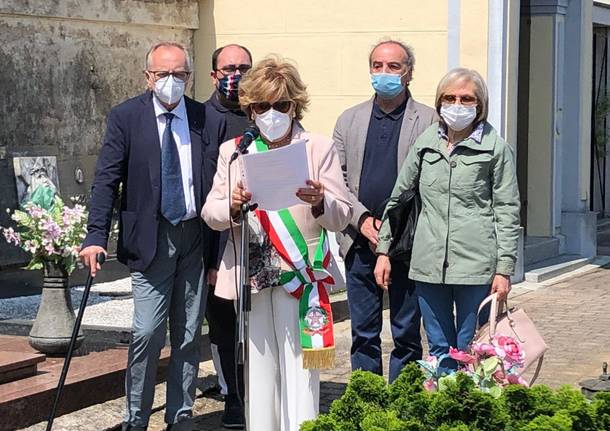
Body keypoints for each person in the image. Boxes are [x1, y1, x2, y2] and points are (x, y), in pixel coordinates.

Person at [202, 55, 352, 431]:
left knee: (301, 369)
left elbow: (342, 213)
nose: (272, 113)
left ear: (295, 105)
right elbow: (211, 212)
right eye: (262, 106)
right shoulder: (233, 151)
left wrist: (320, 200)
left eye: (281, 105)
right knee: (259, 369)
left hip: (300, 274)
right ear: (250, 110)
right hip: (252, 275)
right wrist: (232, 206)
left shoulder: (317, 147)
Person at [80, 41, 218, 431]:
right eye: (163, 74)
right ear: (148, 77)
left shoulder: (203, 118)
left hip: (195, 235)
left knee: (189, 332)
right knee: (146, 332)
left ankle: (180, 413)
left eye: (179, 74)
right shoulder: (126, 117)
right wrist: (95, 236)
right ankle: (136, 418)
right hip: (150, 238)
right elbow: (106, 180)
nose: (171, 81)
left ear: (189, 78)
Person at [374, 67, 521, 371]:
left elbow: (506, 209)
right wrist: (383, 250)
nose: (457, 105)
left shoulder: (495, 148)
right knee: (440, 348)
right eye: (450, 98)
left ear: (479, 105)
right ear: (440, 102)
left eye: (466, 99)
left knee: (473, 349)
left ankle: (473, 413)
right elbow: (399, 198)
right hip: (428, 265)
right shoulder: (426, 143)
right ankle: (443, 410)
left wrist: (504, 269)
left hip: (476, 267)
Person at [333, 40, 437, 382]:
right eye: (377, 65)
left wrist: (391, 234)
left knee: (406, 333)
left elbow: (427, 184)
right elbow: (338, 180)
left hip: (408, 243)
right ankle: (369, 396)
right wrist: (362, 220)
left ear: (408, 73)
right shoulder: (349, 120)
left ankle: (403, 398)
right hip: (360, 241)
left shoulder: (429, 121)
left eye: (393, 67)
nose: (384, 73)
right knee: (363, 332)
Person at [203, 43, 252, 429]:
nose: (236, 74)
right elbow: (210, 193)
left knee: (252, 327)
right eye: (229, 68)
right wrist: (212, 260)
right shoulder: (200, 118)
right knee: (223, 326)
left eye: (244, 67)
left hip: (261, 246)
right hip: (213, 240)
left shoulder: (261, 116)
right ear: (214, 74)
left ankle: (256, 391)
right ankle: (232, 395)